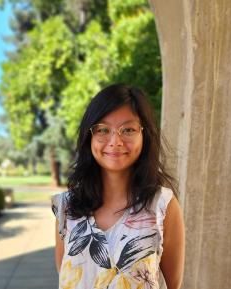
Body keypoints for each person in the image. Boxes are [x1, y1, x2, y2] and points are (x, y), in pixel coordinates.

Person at [51, 83, 185, 289]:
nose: (115, 141)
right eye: (103, 129)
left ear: (144, 135)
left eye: (128, 129)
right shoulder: (67, 207)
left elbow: (174, 285)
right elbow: (66, 275)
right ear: (90, 137)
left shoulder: (162, 207)